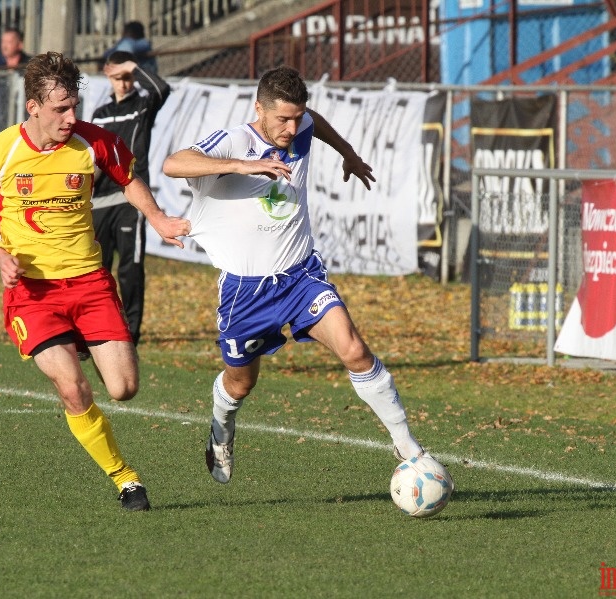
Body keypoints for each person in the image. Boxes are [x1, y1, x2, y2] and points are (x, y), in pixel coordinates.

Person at [161, 66, 444, 485]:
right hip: (245, 291)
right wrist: (242, 165)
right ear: (259, 108)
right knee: (240, 385)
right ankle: (221, 426)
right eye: (282, 119)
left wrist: (346, 151)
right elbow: (173, 163)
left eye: (297, 117)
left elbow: (316, 124)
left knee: (354, 350)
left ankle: (409, 449)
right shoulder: (235, 141)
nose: (292, 128)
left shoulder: (301, 125)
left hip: (299, 275)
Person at [0, 52, 190, 510]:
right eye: (60, 109)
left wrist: (158, 219)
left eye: (74, 106)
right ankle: (124, 477)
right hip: (32, 292)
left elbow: (130, 179)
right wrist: (0, 257)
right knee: (73, 389)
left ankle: (84, 340)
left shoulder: (94, 142)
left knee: (124, 389)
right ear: (32, 106)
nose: (71, 118)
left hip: (90, 284)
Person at [90, 51, 171, 346]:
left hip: (131, 198)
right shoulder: (100, 114)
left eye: (127, 78)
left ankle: (130, 335)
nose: (123, 84)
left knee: (130, 268)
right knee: (97, 269)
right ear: (108, 77)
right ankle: (99, 328)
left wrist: (135, 67)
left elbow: (162, 88)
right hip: (100, 201)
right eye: (117, 78)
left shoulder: (142, 105)